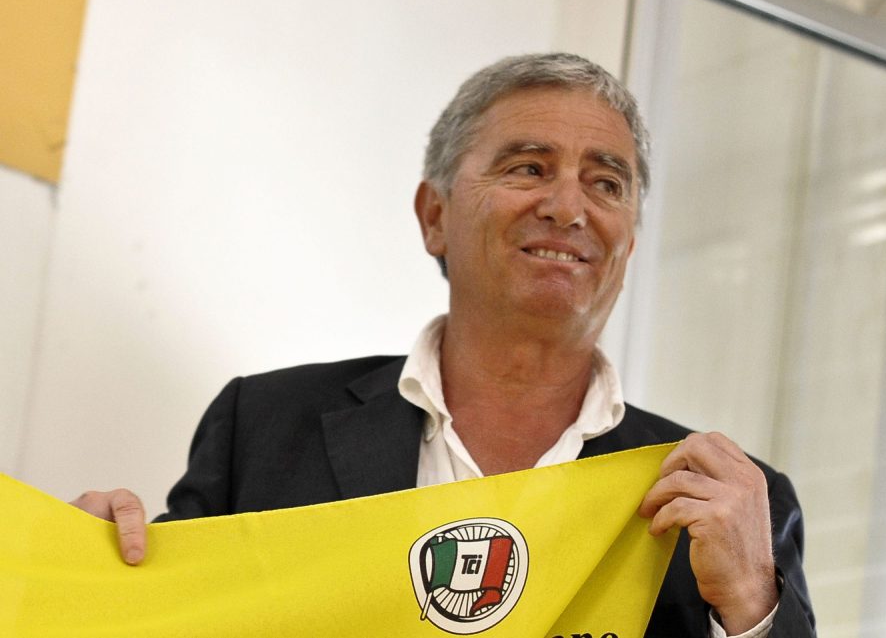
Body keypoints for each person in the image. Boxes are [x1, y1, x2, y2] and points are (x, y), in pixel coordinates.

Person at [71, 53, 815, 637]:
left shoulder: (733, 501)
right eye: (529, 168)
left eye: (606, 183)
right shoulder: (262, 429)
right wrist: (84, 573)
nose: (568, 208)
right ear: (434, 215)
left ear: (630, 240)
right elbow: (152, 621)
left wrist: (753, 605)